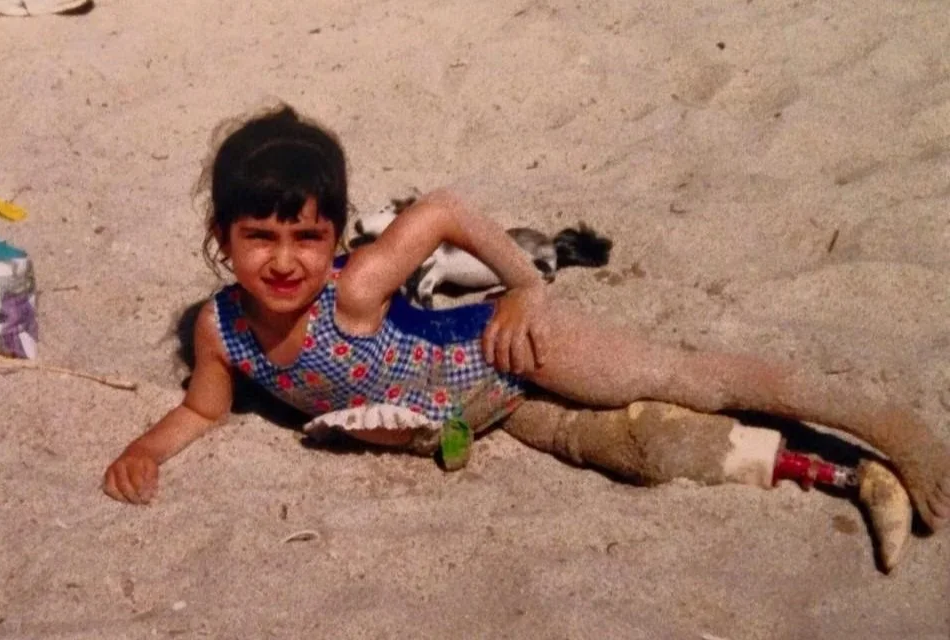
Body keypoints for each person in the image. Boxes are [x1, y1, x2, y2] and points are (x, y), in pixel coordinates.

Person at [102, 104, 949, 546]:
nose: (283, 261)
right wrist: (146, 448)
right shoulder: (224, 332)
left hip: (508, 352)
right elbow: (205, 410)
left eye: (306, 236)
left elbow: (441, 210)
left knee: (683, 374)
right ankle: (821, 471)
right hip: (487, 423)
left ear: (333, 240)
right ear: (223, 239)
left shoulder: (353, 291)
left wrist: (525, 290)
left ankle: (886, 425)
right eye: (259, 238)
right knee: (636, 450)